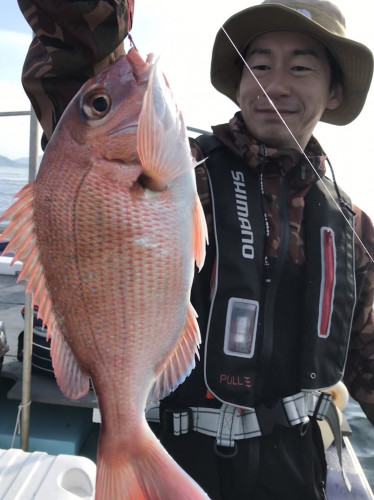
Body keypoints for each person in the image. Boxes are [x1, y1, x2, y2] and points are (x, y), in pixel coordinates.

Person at [17, 1, 374, 499]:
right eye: (260, 64)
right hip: (177, 453)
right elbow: (82, 73)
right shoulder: (187, 169)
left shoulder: (352, 226)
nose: (276, 84)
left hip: (296, 471)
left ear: (334, 90)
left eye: (300, 67)